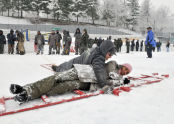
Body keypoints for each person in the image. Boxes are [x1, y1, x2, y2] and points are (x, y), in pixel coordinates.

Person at [10, 60, 132, 104]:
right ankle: (26, 90)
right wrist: (117, 81)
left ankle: (29, 94)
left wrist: (121, 81)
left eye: (127, 72)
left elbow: (110, 84)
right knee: (56, 78)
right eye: (126, 69)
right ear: (123, 66)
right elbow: (110, 75)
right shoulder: (113, 64)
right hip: (82, 72)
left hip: (87, 84)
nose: (125, 72)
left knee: (63, 86)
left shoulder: (119, 79)